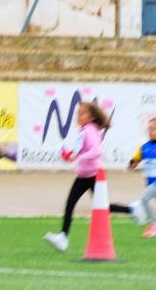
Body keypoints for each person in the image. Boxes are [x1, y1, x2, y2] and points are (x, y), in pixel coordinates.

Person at [43, 101, 134, 252]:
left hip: (92, 175)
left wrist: (78, 158)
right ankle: (63, 237)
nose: (79, 116)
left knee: (98, 206)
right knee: (81, 203)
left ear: (91, 117)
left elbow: (96, 151)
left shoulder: (89, 131)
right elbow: (81, 153)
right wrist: (68, 155)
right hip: (85, 174)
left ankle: (133, 210)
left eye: (82, 113)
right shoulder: (85, 130)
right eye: (78, 113)